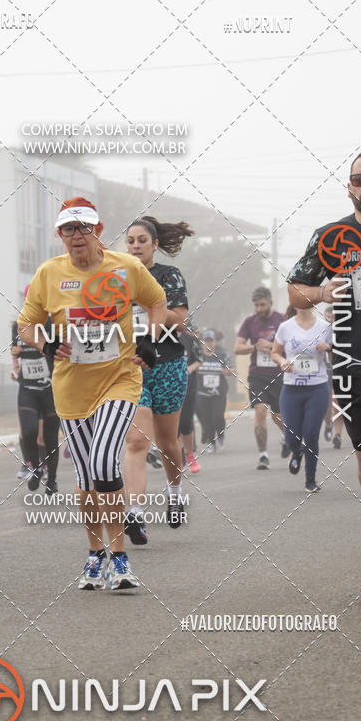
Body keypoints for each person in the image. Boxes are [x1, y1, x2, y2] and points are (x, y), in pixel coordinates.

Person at [17, 197, 167, 591]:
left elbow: (156, 302)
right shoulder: (49, 274)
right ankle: (95, 555)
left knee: (103, 462)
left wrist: (150, 340)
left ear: (98, 231)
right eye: (69, 229)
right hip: (71, 389)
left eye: (84, 228)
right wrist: (46, 344)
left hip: (119, 379)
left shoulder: (126, 267)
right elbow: (26, 325)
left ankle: (119, 559)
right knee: (85, 479)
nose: (77, 236)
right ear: (60, 235)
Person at [288, 148, 361, 596]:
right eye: (360, 180)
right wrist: (319, 291)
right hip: (351, 367)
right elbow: (295, 290)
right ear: (350, 187)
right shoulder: (331, 236)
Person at [123, 216, 193, 546]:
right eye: (130, 241)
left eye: (141, 240)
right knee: (136, 441)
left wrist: (150, 303)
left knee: (167, 443)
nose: (135, 246)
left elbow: (179, 321)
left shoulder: (168, 275)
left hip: (167, 365)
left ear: (154, 244)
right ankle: (134, 513)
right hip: (130, 367)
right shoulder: (116, 276)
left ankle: (175, 490)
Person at [270, 306, 332, 492]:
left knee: (311, 434)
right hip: (291, 389)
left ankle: (310, 481)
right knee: (291, 438)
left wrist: (328, 347)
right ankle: (296, 452)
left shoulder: (325, 326)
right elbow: (275, 352)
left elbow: (337, 351)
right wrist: (282, 362)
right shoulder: (285, 327)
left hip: (317, 389)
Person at [234, 287, 286, 470]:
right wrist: (255, 347)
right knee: (260, 410)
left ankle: (287, 438)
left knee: (278, 416)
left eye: (262, 305)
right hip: (257, 375)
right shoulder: (250, 322)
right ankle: (263, 455)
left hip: (278, 375)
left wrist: (272, 346)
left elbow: (293, 347)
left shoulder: (282, 320)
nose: (259, 309)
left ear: (271, 303)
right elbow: (237, 348)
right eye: (256, 305)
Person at [11, 307, 59, 494]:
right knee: (28, 431)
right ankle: (36, 468)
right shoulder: (18, 326)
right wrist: (15, 363)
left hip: (50, 390)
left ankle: (52, 480)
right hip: (27, 389)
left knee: (50, 438)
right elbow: (14, 354)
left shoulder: (51, 325)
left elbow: (58, 353)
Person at [195, 330, 234, 453]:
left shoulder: (222, 353)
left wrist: (226, 371)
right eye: (206, 341)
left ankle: (220, 436)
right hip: (201, 392)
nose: (209, 344)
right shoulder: (198, 355)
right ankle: (211, 442)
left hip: (219, 392)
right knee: (207, 418)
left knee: (217, 416)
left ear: (215, 342)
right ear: (202, 343)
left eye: (211, 341)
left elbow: (232, 370)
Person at [178, 320, 203, 473]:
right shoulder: (162, 336)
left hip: (188, 385)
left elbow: (199, 360)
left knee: (186, 423)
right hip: (168, 387)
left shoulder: (190, 339)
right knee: (173, 426)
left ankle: (190, 455)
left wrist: (188, 369)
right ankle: (177, 459)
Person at [322, 305, 344, 448]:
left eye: (332, 318)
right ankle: (328, 424)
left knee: (337, 401)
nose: (330, 320)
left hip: (339, 369)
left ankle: (338, 435)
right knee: (326, 403)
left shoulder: (343, 331)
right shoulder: (319, 330)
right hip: (323, 370)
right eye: (327, 317)